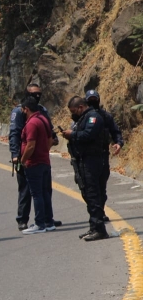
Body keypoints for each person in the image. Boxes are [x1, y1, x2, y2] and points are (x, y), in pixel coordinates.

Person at [9, 83, 62, 231]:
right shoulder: (20, 111)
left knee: (44, 190)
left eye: (39, 94)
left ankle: (46, 219)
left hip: (38, 157)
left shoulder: (41, 111)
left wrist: (51, 142)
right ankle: (23, 219)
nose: (37, 97)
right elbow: (14, 134)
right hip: (25, 156)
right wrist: (16, 155)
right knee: (26, 190)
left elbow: (50, 131)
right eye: (34, 94)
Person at [61, 96, 110, 241]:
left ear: (81, 107)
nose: (73, 114)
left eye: (74, 111)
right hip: (85, 160)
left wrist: (73, 135)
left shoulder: (93, 117)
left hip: (93, 161)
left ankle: (100, 229)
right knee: (88, 194)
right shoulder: (82, 119)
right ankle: (94, 227)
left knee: (93, 194)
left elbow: (89, 135)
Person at [18, 97, 56, 234]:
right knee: (45, 192)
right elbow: (50, 139)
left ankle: (40, 224)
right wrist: (44, 152)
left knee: (37, 194)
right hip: (44, 161)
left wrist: (23, 161)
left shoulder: (32, 123)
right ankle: (49, 221)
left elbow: (30, 145)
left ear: (26, 109)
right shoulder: (43, 119)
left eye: (23, 110)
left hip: (34, 163)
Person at [85, 90, 124, 222]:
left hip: (102, 155)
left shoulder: (105, 116)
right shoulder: (82, 117)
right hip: (87, 158)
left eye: (94, 99)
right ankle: (95, 214)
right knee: (89, 188)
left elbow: (115, 131)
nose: (92, 102)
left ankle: (99, 213)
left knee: (101, 186)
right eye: (90, 99)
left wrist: (118, 143)